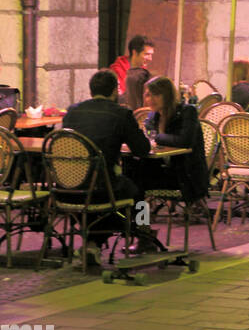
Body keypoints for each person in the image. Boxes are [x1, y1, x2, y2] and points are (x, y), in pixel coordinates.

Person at [61, 69, 152, 263]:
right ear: (115, 91)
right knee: (138, 191)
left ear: (91, 90)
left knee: (109, 189)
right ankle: (143, 231)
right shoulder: (121, 113)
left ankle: (94, 243)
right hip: (102, 188)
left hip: (68, 187)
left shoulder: (72, 112)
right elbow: (142, 149)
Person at [133, 76, 209, 204]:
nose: (150, 100)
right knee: (132, 171)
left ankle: (139, 219)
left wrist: (157, 138)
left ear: (167, 95)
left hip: (186, 175)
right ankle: (138, 220)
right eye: (148, 95)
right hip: (165, 169)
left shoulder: (187, 112)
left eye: (155, 95)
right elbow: (148, 137)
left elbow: (184, 141)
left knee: (136, 178)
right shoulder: (153, 115)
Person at [122, 35, 155, 110]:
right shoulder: (142, 75)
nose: (150, 59)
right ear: (134, 52)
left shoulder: (132, 73)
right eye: (146, 54)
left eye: (151, 55)